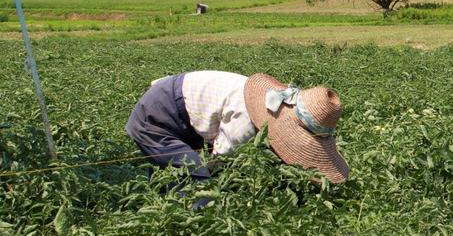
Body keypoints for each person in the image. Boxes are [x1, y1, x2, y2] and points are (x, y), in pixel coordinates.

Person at [125, 71, 349, 185]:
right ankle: (193, 234)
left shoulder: (271, 105)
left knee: (171, 175)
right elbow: (220, 161)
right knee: (198, 177)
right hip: (156, 114)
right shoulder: (245, 120)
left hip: (185, 114)